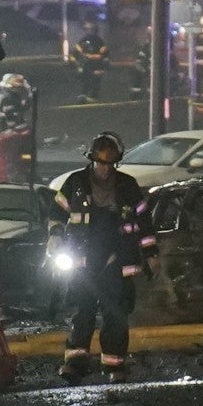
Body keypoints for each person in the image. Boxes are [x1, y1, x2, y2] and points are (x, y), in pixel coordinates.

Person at [51, 133, 154, 384]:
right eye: (100, 163)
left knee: (115, 313)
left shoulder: (128, 186)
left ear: (116, 163)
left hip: (117, 261)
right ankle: (75, 363)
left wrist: (151, 255)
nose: (104, 169)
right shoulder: (75, 183)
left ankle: (114, 365)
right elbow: (56, 211)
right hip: (82, 260)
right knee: (81, 311)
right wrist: (54, 237)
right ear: (91, 159)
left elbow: (145, 223)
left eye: (109, 164)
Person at [72, 28, 110, 101]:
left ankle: (94, 96)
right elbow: (78, 47)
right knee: (86, 78)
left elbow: (101, 55)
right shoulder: (86, 39)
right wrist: (81, 53)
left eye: (90, 29)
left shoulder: (99, 41)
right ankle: (84, 94)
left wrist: (89, 56)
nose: (88, 31)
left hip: (97, 63)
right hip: (88, 63)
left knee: (96, 79)